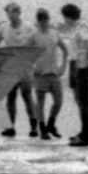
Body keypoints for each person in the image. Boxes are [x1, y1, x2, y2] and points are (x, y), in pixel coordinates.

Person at [0, 2, 38, 136]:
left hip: (25, 67)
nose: (10, 15)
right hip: (10, 67)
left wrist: (35, 61)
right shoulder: (3, 28)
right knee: (10, 98)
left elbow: (38, 43)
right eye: (8, 13)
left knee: (27, 96)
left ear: (19, 13)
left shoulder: (28, 27)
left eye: (13, 12)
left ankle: (34, 127)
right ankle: (10, 127)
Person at [59, 3, 88, 147]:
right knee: (80, 101)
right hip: (76, 65)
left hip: (82, 67)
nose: (64, 20)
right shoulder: (76, 28)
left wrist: (86, 61)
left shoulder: (81, 28)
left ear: (69, 16)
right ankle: (83, 132)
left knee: (86, 103)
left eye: (64, 17)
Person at [29, 8, 69, 140]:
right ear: (38, 21)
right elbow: (25, 54)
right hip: (40, 74)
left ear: (48, 20)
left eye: (45, 20)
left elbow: (65, 50)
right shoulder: (34, 36)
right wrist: (33, 66)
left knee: (58, 101)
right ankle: (42, 129)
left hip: (53, 73)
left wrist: (63, 66)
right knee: (40, 102)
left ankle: (51, 125)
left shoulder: (55, 33)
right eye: (41, 20)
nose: (43, 23)